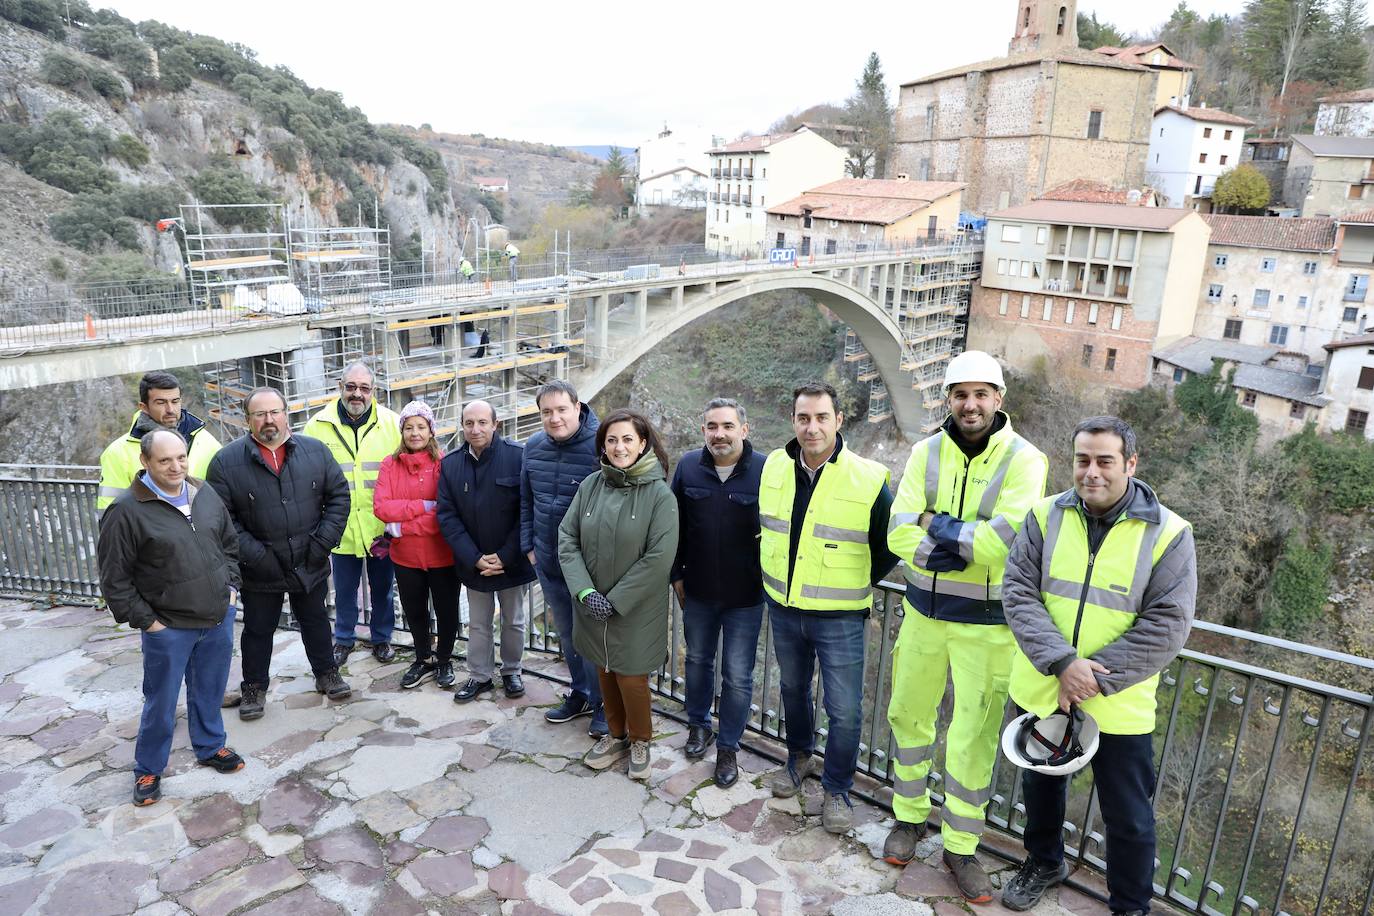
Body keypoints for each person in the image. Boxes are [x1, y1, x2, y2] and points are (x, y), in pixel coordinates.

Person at [1000, 416, 1196, 916]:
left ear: (1130, 464)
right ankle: (1044, 862)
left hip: (1119, 705)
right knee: (1040, 791)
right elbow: (1019, 593)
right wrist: (1062, 663)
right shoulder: (1044, 517)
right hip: (1045, 687)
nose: (1092, 472)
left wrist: (1089, 675)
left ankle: (1130, 906)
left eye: (1105, 461)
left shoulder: (1170, 533)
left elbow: (1167, 625)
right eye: (1082, 460)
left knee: (1128, 816)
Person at [882, 350, 1049, 902]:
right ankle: (909, 816)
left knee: (972, 736)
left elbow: (1005, 540)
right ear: (947, 400)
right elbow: (897, 533)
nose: (970, 404)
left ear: (999, 400)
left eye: (981, 394)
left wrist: (936, 525)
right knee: (908, 715)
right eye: (960, 394)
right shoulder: (924, 453)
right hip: (924, 615)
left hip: (988, 625)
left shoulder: (1027, 460)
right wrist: (958, 542)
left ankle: (961, 845)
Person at [761, 381, 897, 834]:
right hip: (784, 606)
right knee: (793, 690)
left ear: (839, 421)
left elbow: (889, 544)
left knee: (845, 708)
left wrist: (853, 578)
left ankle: (837, 788)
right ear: (793, 421)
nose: (812, 426)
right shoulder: (775, 467)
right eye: (803, 417)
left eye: (822, 417)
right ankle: (799, 756)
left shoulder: (869, 477)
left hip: (840, 615)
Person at [98, 429, 244, 806]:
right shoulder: (127, 511)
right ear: (145, 463)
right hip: (167, 626)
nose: (176, 466)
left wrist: (231, 590)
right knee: (161, 701)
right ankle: (148, 768)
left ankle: (211, 746)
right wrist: (149, 622)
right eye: (165, 460)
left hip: (215, 616)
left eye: (181, 457)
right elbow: (115, 579)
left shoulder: (203, 492)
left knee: (209, 689)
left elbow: (229, 543)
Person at [207, 387, 353, 719]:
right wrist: (258, 558)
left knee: (316, 620)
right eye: (260, 414)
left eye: (274, 412)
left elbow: (339, 498)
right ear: (248, 420)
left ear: (286, 414)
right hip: (260, 569)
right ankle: (254, 687)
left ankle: (326, 673)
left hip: (309, 560)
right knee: (258, 630)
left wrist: (319, 547)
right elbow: (223, 519)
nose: (268, 419)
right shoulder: (226, 462)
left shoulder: (315, 451)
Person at [558, 409, 678, 780]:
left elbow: (659, 557)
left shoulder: (659, 495)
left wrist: (616, 599)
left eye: (627, 439)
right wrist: (585, 591)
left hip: (635, 608)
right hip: (593, 604)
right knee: (604, 669)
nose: (619, 446)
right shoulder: (591, 485)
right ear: (603, 445)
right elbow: (568, 539)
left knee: (631, 676)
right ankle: (615, 734)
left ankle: (640, 738)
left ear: (643, 444)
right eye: (612, 440)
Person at [668, 397, 764, 788]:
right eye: (711, 426)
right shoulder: (689, 466)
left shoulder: (767, 470)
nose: (719, 434)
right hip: (699, 591)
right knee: (697, 662)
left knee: (738, 676)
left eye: (727, 426)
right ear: (703, 429)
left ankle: (728, 747)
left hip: (746, 596)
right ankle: (698, 727)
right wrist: (676, 575)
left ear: (744, 428)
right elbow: (673, 524)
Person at [520, 380, 607, 736]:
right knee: (569, 636)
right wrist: (530, 546)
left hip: (589, 567)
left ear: (577, 407)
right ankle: (581, 694)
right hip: (548, 560)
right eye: (546, 412)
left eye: (561, 410)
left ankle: (605, 705)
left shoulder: (602, 445)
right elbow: (526, 499)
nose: (554, 419)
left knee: (595, 638)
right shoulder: (534, 446)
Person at [303, 361, 401, 666]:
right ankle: (343, 639)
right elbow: (308, 480)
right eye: (351, 387)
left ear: (373, 391)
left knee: (383, 589)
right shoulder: (317, 426)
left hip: (380, 529)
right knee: (343, 591)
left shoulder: (392, 424)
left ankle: (382, 639)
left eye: (364, 388)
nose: (357, 394)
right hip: (339, 528)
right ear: (340, 387)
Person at [438, 399, 535, 702]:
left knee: (514, 620)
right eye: (469, 423)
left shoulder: (518, 458)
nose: (475, 428)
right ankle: (480, 676)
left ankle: (511, 671)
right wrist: (475, 558)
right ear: (462, 426)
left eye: (482, 422)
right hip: (474, 563)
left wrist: (505, 555)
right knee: (478, 623)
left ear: (496, 424)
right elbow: (447, 515)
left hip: (513, 561)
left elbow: (528, 512)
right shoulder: (451, 464)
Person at [373, 401, 460, 690]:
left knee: (447, 611)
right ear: (402, 432)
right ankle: (422, 658)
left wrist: (403, 526)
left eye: (421, 427)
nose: (415, 433)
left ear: (431, 431)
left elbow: (445, 513)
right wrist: (423, 505)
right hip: (406, 557)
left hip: (442, 555)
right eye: (409, 427)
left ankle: (444, 659)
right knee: (415, 610)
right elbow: (382, 508)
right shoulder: (390, 464)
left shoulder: (444, 464)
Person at [98, 370, 221, 512]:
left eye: (175, 401)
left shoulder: (207, 442)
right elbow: (110, 514)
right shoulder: (117, 453)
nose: (170, 409)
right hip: (147, 532)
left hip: (201, 531)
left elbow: (223, 503)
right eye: (161, 402)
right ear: (144, 407)